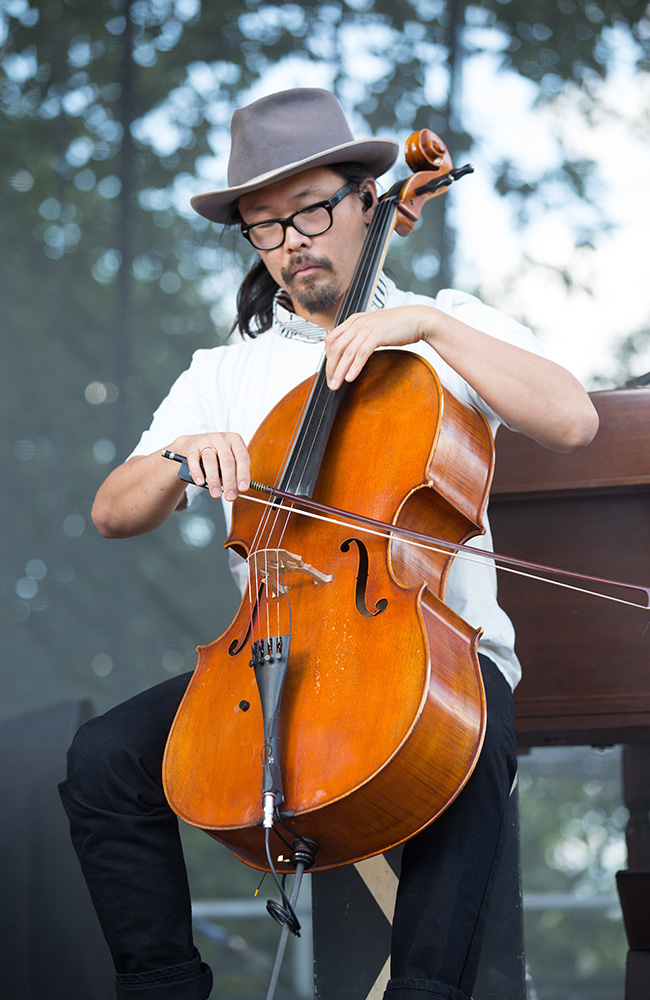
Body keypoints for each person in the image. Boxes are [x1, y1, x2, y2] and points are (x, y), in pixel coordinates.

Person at [60, 88, 599, 1000]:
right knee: (104, 760)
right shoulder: (224, 372)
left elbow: (573, 420)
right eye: (265, 227)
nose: (291, 242)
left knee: (466, 743)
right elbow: (114, 510)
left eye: (310, 210)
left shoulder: (444, 323)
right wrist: (181, 455)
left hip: (432, 655)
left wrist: (428, 326)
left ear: (366, 200)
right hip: (273, 654)